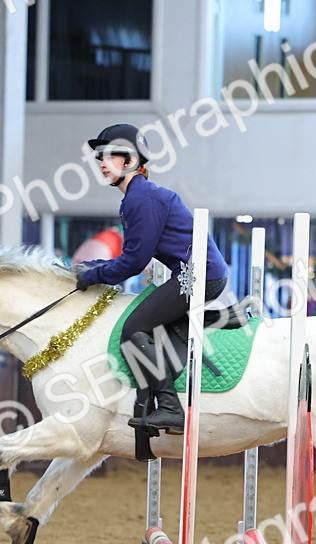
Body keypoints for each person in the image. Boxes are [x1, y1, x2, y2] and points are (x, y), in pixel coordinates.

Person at [74, 123, 230, 436]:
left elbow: (133, 262)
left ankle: (171, 408)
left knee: (133, 330)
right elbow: (132, 256)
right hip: (198, 274)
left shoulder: (140, 199)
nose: (102, 163)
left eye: (109, 156)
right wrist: (97, 266)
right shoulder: (139, 196)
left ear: (130, 161)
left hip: (197, 277)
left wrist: (92, 276)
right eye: (99, 157)